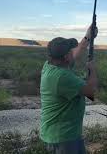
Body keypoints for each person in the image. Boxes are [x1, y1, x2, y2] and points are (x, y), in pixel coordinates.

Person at [40, 25, 98, 154]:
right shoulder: (62, 77)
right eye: (70, 52)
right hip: (63, 138)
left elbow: (76, 53)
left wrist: (88, 37)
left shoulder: (50, 65)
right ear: (66, 57)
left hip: (64, 135)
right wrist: (92, 70)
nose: (73, 52)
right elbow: (91, 92)